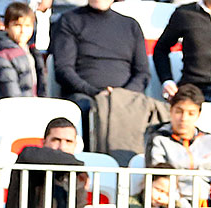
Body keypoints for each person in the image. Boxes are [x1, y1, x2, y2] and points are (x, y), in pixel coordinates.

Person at [49, 0, 150, 143]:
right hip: (85, 95)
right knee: (87, 108)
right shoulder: (69, 20)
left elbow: (142, 73)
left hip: (126, 97)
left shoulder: (131, 25)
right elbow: (64, 70)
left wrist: (120, 96)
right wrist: (96, 93)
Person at [144, 84, 211, 202]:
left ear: (199, 114)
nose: (184, 118)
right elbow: (158, 179)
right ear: (171, 110)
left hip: (207, 201)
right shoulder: (158, 139)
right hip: (171, 201)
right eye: (179, 111)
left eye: (191, 113)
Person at [0, 1, 46, 103]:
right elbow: (11, 92)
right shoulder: (2, 55)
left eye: (27, 26)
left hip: (33, 104)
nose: (23, 30)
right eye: (17, 25)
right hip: (13, 107)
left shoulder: (32, 52)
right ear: (6, 27)